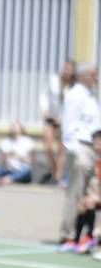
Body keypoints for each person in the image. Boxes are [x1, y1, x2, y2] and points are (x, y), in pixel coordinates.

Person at [58, 63, 101, 249]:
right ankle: (67, 234)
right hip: (81, 147)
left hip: (94, 148)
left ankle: (87, 234)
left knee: (91, 193)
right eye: (92, 74)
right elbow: (68, 124)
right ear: (82, 76)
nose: (95, 77)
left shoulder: (90, 95)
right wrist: (73, 149)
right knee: (75, 192)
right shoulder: (76, 95)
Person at [39, 60, 75, 184]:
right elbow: (44, 95)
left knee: (61, 149)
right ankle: (54, 172)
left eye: (70, 69)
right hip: (50, 117)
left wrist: (63, 117)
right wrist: (45, 110)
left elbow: (74, 105)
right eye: (66, 68)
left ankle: (58, 177)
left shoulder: (74, 86)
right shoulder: (53, 80)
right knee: (47, 147)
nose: (67, 71)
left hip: (64, 120)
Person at [0, 121, 35, 185]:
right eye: (12, 126)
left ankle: (7, 179)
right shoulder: (6, 142)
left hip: (21, 170)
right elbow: (2, 162)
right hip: (7, 170)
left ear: (22, 129)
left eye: (16, 126)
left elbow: (31, 161)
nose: (13, 128)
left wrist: (18, 156)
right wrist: (6, 157)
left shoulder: (28, 141)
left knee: (27, 171)